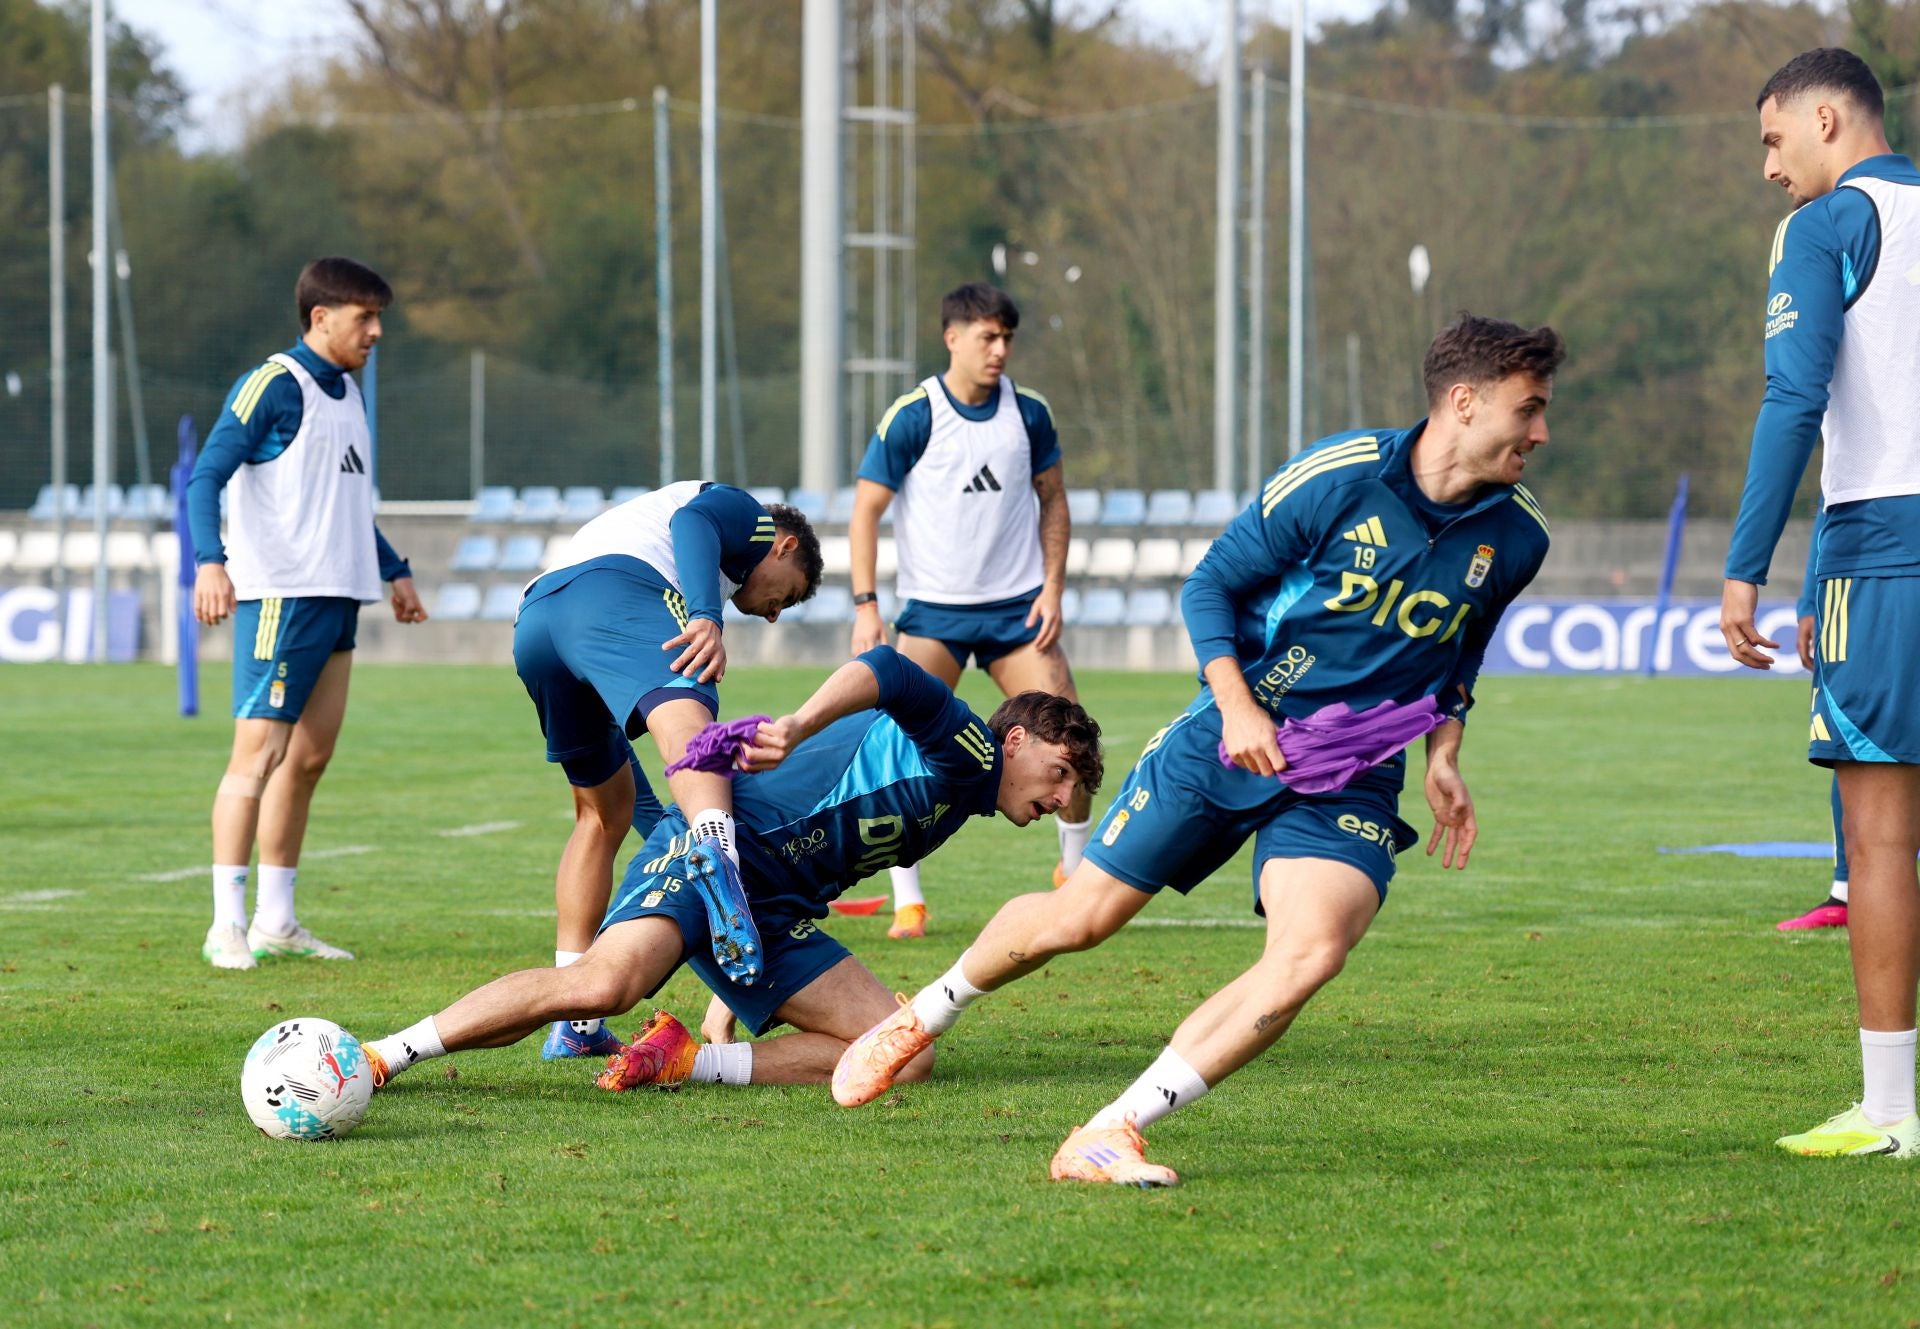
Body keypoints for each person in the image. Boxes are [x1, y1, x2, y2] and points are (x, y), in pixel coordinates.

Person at [833, 314, 1564, 1188]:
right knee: (1081, 919)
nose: (1541, 432)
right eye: (1530, 409)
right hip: (1228, 736)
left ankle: (1112, 1128)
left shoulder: (1518, 536)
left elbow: (1459, 654)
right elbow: (1212, 582)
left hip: (1353, 772)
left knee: (1309, 955)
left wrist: (1446, 749)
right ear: (1464, 401)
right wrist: (1240, 707)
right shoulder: (1340, 477)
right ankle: (929, 1010)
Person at [355, 647, 1103, 1094]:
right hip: (719, 855)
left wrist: (738, 993)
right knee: (604, 985)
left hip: (773, 907)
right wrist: (800, 724)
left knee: (903, 1056)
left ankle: (690, 1062)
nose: (1065, 797)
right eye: (1061, 772)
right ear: (1014, 743)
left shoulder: (966, 799)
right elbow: (886, 667)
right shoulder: (972, 748)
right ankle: (384, 1053)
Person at [1719, 48, 1920, 1158]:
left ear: (1829, 119)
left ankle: (1891, 1117)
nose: (1768, 167)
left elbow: (1797, 397)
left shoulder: (1826, 226)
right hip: (1869, 548)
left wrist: (1750, 563)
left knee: (1882, 840)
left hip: (1888, 556)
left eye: (1772, 138)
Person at [513, 481, 822, 1059]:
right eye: (791, 594)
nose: (777, 614)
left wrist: (672, 828)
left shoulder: (643, 537)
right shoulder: (748, 516)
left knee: (602, 817)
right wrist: (708, 616)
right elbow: (695, 522)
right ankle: (721, 856)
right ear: (781, 547)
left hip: (535, 622)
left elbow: (658, 801)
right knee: (695, 682)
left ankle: (572, 1022)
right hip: (612, 589)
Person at [190, 256, 426, 972]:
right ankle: (225, 924)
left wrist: (395, 569)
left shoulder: (350, 393)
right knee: (256, 758)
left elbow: (345, 503)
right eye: (365, 317)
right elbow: (207, 474)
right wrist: (209, 560)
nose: (377, 331)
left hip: (340, 592)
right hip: (282, 596)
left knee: (310, 759)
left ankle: (277, 921)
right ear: (320, 318)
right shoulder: (273, 385)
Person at [848, 282, 1090, 940]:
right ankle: (909, 899)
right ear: (952, 337)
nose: (1000, 349)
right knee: (898, 750)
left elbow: (1055, 499)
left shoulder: (1030, 413)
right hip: (934, 615)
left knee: (1071, 734)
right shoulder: (914, 415)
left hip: (1016, 612)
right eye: (987, 336)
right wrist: (867, 605)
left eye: (1007, 336)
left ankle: (1073, 877)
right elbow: (866, 509)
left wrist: (1052, 587)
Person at [1779, 519, 1849, 932]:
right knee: (1853, 746)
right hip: (1855, 587)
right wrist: (1810, 601)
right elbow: (1830, 505)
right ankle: (1845, 890)